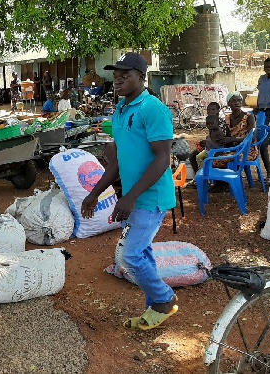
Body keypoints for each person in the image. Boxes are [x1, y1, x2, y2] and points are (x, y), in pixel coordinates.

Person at [81, 52, 178, 331]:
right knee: (141, 252)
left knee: (129, 256)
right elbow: (118, 161)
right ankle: (154, 309)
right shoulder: (121, 110)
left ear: (141, 77)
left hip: (150, 198)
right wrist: (95, 193)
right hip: (134, 198)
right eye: (116, 76)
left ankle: (163, 299)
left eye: (125, 75)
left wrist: (130, 197)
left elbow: (163, 159)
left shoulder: (153, 109)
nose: (118, 80)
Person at [189, 102, 227, 174]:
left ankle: (204, 175)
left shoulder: (220, 123)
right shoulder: (211, 120)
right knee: (192, 155)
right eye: (209, 110)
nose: (210, 112)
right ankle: (199, 176)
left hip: (218, 149)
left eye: (213, 109)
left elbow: (221, 140)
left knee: (196, 156)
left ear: (218, 110)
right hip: (210, 147)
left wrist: (208, 142)